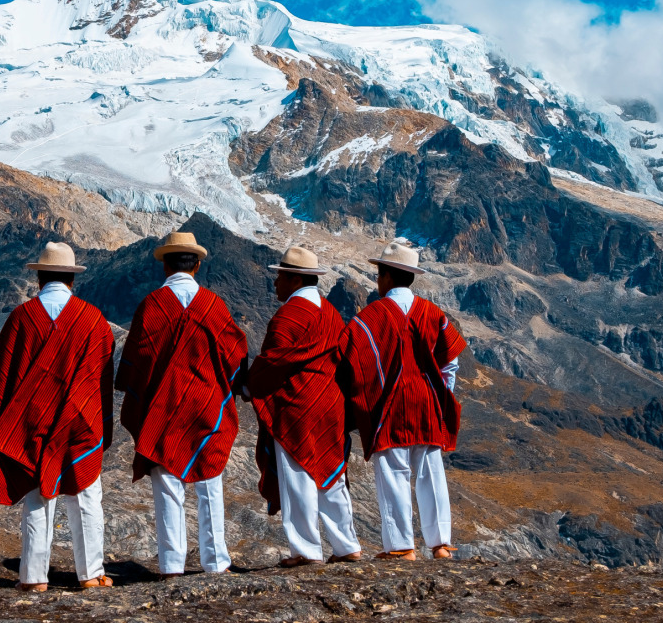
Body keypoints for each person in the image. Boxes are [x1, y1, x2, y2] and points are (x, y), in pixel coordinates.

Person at [116, 230, 249, 578]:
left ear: (165, 265)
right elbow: (236, 354)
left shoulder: (151, 306)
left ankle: (171, 565)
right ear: (198, 265)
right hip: (207, 405)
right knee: (210, 483)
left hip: (163, 408)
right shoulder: (214, 305)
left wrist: (144, 398)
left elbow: (136, 361)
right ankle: (215, 563)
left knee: (167, 487)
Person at [0, 241, 117, 591]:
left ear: (39, 277)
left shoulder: (21, 318)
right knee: (87, 497)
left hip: (33, 421)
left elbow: (6, 376)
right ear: (72, 280)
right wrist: (103, 424)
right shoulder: (93, 320)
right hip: (81, 421)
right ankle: (90, 575)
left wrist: (9, 423)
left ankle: (33, 578)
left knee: (37, 496)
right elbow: (104, 376)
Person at [339, 238, 467, 561]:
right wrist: (442, 393)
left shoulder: (370, 317)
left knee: (394, 472)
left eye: (379, 274)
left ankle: (401, 547)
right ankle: (440, 545)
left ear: (386, 276)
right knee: (430, 471)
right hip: (427, 401)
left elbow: (356, 363)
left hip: (391, 405)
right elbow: (450, 360)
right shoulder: (432, 312)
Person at [247, 246, 362, 567]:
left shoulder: (288, 316)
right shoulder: (330, 312)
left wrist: (246, 383)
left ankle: (306, 550)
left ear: (295, 279)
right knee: (331, 473)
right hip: (330, 404)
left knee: (297, 475)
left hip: (296, 406)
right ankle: (347, 545)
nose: (275, 284)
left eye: (280, 277)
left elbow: (272, 363)